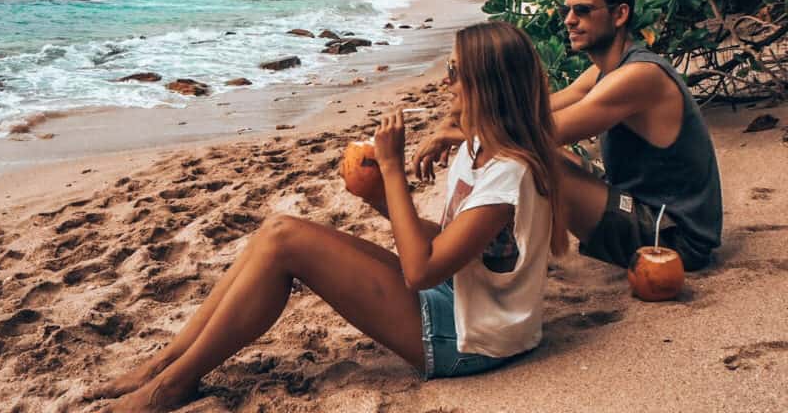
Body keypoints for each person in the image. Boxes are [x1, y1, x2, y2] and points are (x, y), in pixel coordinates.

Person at [88, 23, 567, 412]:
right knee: (276, 230)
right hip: (458, 301)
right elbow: (446, 247)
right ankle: (166, 363)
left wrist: (393, 170)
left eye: (455, 70)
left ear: (487, 85)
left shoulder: (510, 173)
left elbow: (421, 269)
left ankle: (172, 385)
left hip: (471, 341)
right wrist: (380, 194)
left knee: (285, 243)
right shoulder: (477, 150)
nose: (445, 80)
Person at [416, 0, 722, 272]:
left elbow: (526, 136)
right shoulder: (605, 72)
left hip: (674, 239)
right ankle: (492, 245)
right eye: (568, 10)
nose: (569, 20)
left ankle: (495, 259)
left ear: (620, 15)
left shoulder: (639, 76)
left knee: (532, 160)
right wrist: (458, 117)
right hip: (640, 205)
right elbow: (533, 111)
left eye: (583, 10)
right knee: (543, 155)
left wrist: (452, 135)